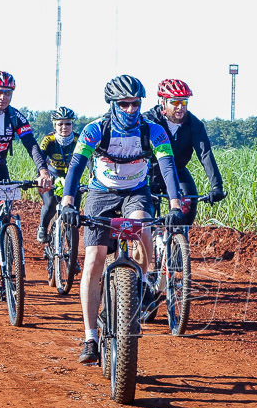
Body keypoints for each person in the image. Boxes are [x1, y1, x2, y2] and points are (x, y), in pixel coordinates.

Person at [60, 75, 184, 366]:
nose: (131, 109)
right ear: (113, 104)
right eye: (124, 104)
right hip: (101, 193)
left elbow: (167, 167)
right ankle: (91, 337)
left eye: (136, 104)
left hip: (136, 192)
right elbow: (77, 165)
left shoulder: (153, 131)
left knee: (141, 226)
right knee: (93, 259)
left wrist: (176, 204)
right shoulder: (95, 130)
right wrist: (67, 202)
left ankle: (139, 284)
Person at [143, 79, 225, 224]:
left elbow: (205, 154)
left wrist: (217, 186)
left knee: (188, 201)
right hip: (150, 172)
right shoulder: (148, 121)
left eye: (184, 102)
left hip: (177, 170)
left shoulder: (194, 124)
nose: (180, 107)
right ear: (163, 102)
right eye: (175, 102)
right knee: (146, 216)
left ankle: (180, 240)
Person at [0, 70, 53, 201]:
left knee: (4, 212)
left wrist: (43, 172)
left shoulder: (14, 116)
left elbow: (31, 145)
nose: (3, 97)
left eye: (7, 93)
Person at [36, 106, 79, 243]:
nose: (64, 127)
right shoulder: (49, 140)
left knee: (73, 208)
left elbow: (90, 159)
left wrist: (91, 175)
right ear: (55, 125)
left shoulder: (78, 139)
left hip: (70, 178)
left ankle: (72, 253)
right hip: (52, 175)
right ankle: (43, 228)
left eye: (68, 123)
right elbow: (40, 159)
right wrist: (42, 176)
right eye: (60, 124)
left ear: (72, 124)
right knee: (50, 204)